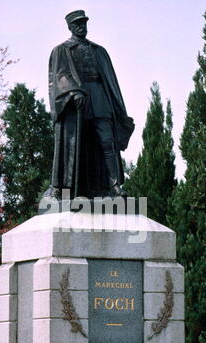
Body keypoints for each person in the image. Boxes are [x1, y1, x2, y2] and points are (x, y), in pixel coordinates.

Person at [44, 10, 134, 200]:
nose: (81, 27)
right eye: (77, 24)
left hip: (99, 98)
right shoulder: (61, 50)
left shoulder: (98, 51)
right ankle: (67, 189)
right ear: (70, 27)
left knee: (107, 141)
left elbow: (110, 80)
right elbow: (59, 76)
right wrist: (73, 91)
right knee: (76, 144)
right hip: (76, 103)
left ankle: (114, 186)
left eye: (83, 23)